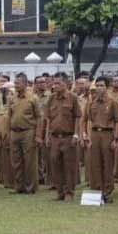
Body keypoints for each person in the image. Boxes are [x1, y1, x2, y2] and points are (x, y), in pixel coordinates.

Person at [43, 73, 80, 201]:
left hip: (68, 136)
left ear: (65, 84)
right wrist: (47, 135)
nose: (55, 86)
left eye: (58, 83)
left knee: (69, 166)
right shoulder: (51, 99)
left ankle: (69, 192)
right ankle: (60, 191)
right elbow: (48, 119)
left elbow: (77, 117)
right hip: (54, 137)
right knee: (55, 164)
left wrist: (76, 134)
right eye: (54, 83)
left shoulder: (72, 98)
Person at [83, 81, 118, 202]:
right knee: (95, 163)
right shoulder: (91, 103)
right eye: (97, 86)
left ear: (107, 87)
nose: (99, 88)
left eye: (102, 86)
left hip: (107, 133)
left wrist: (116, 138)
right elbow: (87, 120)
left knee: (107, 163)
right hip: (95, 133)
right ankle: (97, 189)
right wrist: (87, 135)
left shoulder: (112, 102)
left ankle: (107, 191)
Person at [7, 73, 42, 195]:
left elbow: (39, 117)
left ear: (26, 84)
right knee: (16, 161)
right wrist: (8, 132)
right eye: (15, 83)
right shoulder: (12, 98)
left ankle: (30, 186)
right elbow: (9, 116)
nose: (16, 86)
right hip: (14, 132)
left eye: (18, 83)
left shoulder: (33, 98)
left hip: (28, 131)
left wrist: (38, 135)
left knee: (29, 161)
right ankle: (19, 186)